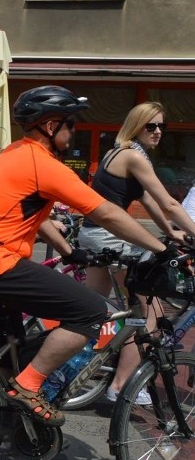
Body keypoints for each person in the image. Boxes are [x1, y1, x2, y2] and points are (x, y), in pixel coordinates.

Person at [0, 86, 171, 427]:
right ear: (51, 127)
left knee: (11, 346)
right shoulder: (43, 165)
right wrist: (162, 248)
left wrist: (71, 251)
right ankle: (29, 386)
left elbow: (33, 215)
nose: (75, 131)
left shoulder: (15, 152)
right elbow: (107, 214)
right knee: (91, 312)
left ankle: (14, 425)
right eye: (71, 124)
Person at [77, 102, 195, 404]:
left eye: (161, 127)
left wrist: (170, 232)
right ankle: (121, 385)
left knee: (92, 309)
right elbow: (168, 203)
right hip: (110, 237)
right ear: (136, 126)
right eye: (150, 126)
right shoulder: (133, 156)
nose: (157, 132)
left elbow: (149, 201)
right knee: (146, 312)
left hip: (94, 234)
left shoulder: (117, 152)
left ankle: (68, 363)